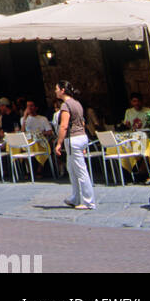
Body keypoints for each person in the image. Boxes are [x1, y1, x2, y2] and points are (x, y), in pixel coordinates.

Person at [54, 80, 96, 210]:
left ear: (62, 90)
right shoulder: (77, 103)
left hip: (73, 139)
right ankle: (75, 197)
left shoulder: (66, 106)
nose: (55, 91)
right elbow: (82, 123)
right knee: (72, 169)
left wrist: (59, 143)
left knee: (80, 171)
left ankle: (89, 202)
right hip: (81, 137)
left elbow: (64, 125)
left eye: (56, 89)